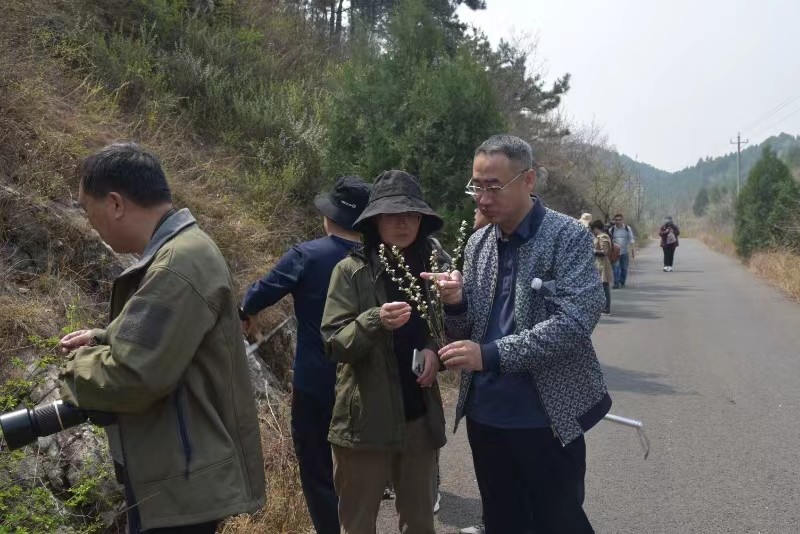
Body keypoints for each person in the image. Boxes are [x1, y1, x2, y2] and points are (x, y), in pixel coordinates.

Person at [57, 142, 265, 533]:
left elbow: (135, 375)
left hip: (183, 481)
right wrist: (104, 337)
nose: (90, 223)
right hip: (184, 474)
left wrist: (73, 368)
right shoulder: (182, 250)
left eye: (88, 209)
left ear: (116, 204)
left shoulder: (177, 265)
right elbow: (172, 340)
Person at [428, 134, 611, 534]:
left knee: (558, 520)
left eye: (494, 186)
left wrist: (490, 355)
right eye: (477, 186)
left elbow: (575, 322)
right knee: (501, 520)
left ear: (528, 180)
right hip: (486, 415)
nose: (482, 197)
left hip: (547, 416)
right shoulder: (478, 244)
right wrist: (455, 302)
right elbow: (465, 331)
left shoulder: (567, 237)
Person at [241, 176, 371, 534]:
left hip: (316, 379)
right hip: (368, 383)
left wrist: (246, 311)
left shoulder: (307, 255)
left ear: (328, 217)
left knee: (315, 465)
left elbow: (261, 292)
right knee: (363, 466)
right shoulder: (382, 258)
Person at [321, 170, 447, 534]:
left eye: (411, 214)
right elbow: (333, 342)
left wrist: (433, 351)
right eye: (393, 214)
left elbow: (446, 331)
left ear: (422, 220)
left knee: (421, 524)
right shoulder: (350, 271)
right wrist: (374, 320)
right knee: (358, 526)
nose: (403, 222)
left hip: (418, 420)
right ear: (375, 220)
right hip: (363, 425)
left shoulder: (433, 270)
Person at [590, 220, 613, 315]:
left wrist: (592, 251)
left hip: (602, 264)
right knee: (600, 286)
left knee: (604, 286)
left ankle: (607, 307)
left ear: (596, 228)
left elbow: (604, 252)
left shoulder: (603, 237)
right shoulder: (598, 237)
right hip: (598, 263)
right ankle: (601, 306)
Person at [609, 213, 635, 289]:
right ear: (614, 221)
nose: (618, 221)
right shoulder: (612, 230)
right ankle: (616, 283)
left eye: (619, 220)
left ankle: (622, 281)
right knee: (616, 268)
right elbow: (609, 240)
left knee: (624, 268)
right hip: (615, 253)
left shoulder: (627, 228)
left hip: (625, 252)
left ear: (622, 220)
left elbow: (631, 239)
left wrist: (632, 248)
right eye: (616, 220)